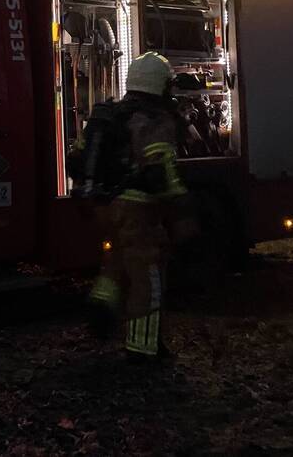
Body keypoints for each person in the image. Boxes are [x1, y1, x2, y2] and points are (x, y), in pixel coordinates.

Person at [87, 51, 194, 359]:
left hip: (108, 206)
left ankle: (102, 301)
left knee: (116, 261)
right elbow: (161, 169)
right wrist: (182, 206)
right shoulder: (154, 119)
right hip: (139, 209)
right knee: (147, 277)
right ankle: (143, 347)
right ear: (161, 85)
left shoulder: (113, 114)